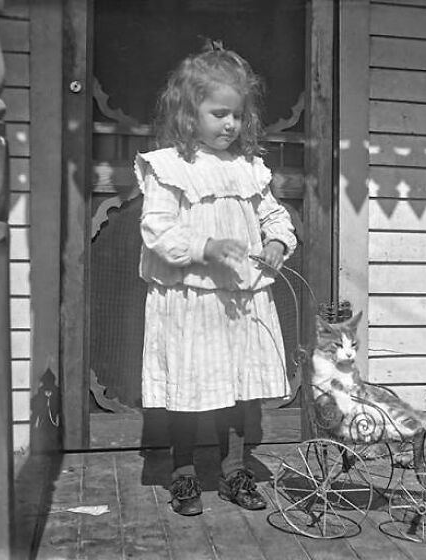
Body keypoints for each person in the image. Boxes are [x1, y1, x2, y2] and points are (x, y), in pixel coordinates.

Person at [134, 40, 297, 516]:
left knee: (236, 390)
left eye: (237, 116)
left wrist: (274, 244)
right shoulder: (170, 167)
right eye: (219, 114)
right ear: (189, 115)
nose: (230, 125)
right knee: (190, 389)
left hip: (240, 298)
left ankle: (234, 470)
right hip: (192, 298)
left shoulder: (249, 169)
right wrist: (205, 247)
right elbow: (158, 231)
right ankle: (183, 472)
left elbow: (276, 217)